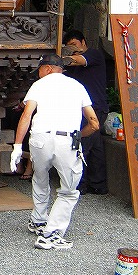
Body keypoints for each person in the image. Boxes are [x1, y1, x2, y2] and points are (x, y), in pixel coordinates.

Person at [11, 53, 99, 250]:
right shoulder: (77, 86)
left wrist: (17, 146)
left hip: (40, 138)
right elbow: (94, 123)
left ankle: (39, 221)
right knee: (68, 190)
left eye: (40, 69)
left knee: (40, 179)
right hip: (67, 139)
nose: (39, 73)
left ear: (49, 68)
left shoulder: (39, 86)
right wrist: (80, 136)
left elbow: (26, 116)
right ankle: (51, 234)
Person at [62, 29, 109, 195]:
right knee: (95, 147)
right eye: (68, 47)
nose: (73, 49)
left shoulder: (93, 55)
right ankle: (98, 185)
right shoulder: (71, 66)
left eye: (74, 44)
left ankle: (79, 185)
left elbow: (77, 60)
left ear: (83, 42)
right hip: (82, 108)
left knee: (82, 144)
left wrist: (59, 58)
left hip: (96, 107)